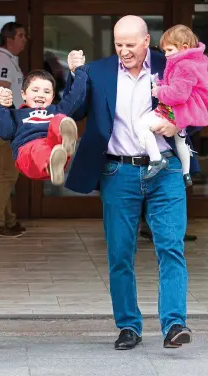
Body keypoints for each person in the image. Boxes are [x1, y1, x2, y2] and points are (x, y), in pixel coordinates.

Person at [66, 16, 200, 349]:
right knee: (120, 254)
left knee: (171, 247)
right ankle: (128, 326)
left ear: (146, 41)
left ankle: (174, 325)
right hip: (118, 172)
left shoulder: (172, 62)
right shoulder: (98, 71)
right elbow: (73, 108)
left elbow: (199, 102)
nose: (124, 51)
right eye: (118, 44)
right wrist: (74, 75)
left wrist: (178, 126)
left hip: (166, 168)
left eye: (130, 44)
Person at [134, 25, 208, 185]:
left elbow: (179, 94)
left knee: (141, 125)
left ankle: (156, 159)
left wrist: (159, 91)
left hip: (176, 110)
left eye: (169, 50)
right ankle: (186, 173)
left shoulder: (183, 65)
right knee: (181, 140)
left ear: (184, 47)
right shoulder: (197, 62)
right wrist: (162, 84)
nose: (166, 54)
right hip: (187, 111)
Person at [0, 67, 87, 184]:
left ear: (53, 97)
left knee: (60, 119)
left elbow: (76, 96)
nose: (41, 95)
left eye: (47, 92)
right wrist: (1, 106)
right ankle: (51, 161)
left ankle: (64, 147)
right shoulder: (17, 114)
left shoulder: (55, 110)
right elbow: (5, 133)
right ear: (23, 94)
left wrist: (79, 71)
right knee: (38, 147)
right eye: (35, 90)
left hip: (55, 151)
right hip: (28, 156)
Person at [0, 22, 27, 238]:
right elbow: (3, 91)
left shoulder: (9, 60)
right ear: (9, 40)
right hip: (6, 123)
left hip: (9, 121)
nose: (25, 39)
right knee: (6, 175)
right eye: (21, 35)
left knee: (8, 175)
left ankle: (8, 219)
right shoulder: (3, 61)